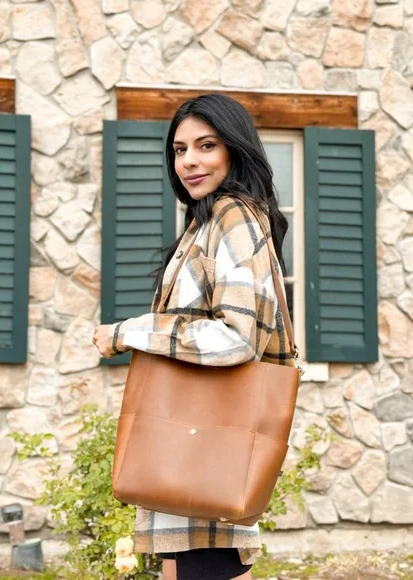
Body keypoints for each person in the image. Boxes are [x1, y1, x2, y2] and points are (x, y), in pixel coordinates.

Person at [93, 93, 296, 580]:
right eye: (180, 150)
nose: (189, 161)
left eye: (206, 145)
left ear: (235, 149)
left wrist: (131, 331)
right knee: (188, 566)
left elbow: (238, 337)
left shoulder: (233, 217)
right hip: (192, 440)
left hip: (205, 437)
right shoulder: (204, 222)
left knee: (204, 565)